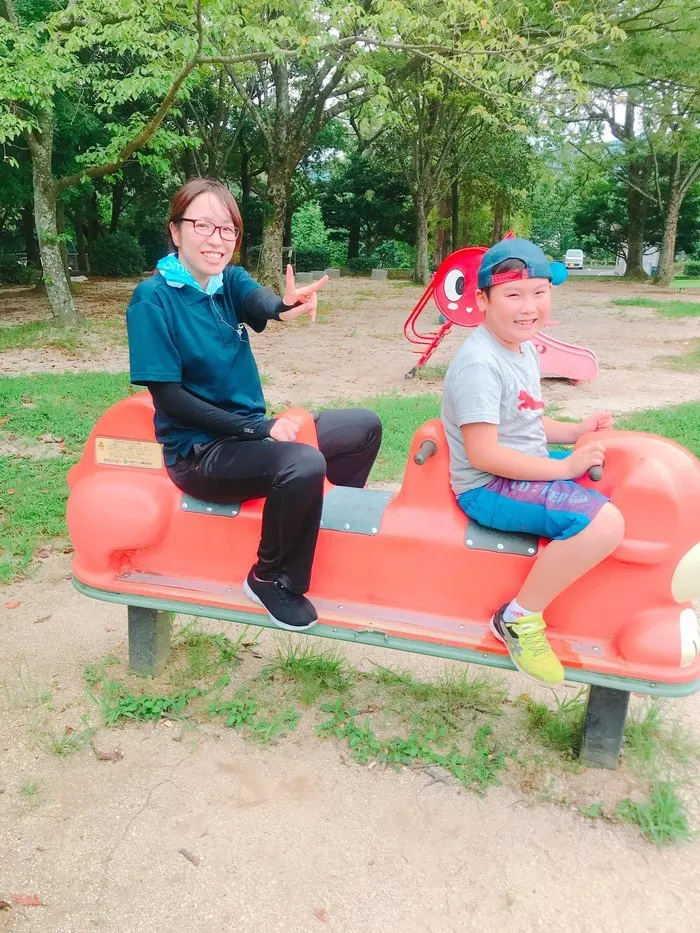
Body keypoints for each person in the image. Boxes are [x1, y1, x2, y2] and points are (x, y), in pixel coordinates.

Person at [126, 177, 382, 632]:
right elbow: (170, 399)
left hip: (247, 432)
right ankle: (270, 577)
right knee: (301, 463)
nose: (217, 239)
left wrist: (283, 305)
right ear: (175, 231)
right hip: (200, 451)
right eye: (203, 225)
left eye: (228, 229)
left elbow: (257, 300)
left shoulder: (227, 283)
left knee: (362, 428)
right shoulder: (154, 299)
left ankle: (315, 524)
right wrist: (259, 430)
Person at [441, 238, 624, 685]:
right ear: (482, 299)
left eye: (539, 292)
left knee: (618, 469)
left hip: (522, 461)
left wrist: (575, 433)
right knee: (605, 523)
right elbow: (486, 453)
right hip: (488, 486)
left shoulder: (520, 347)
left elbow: (526, 421)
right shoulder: (480, 365)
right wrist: (564, 468)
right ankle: (518, 618)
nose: (529, 307)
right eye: (513, 295)